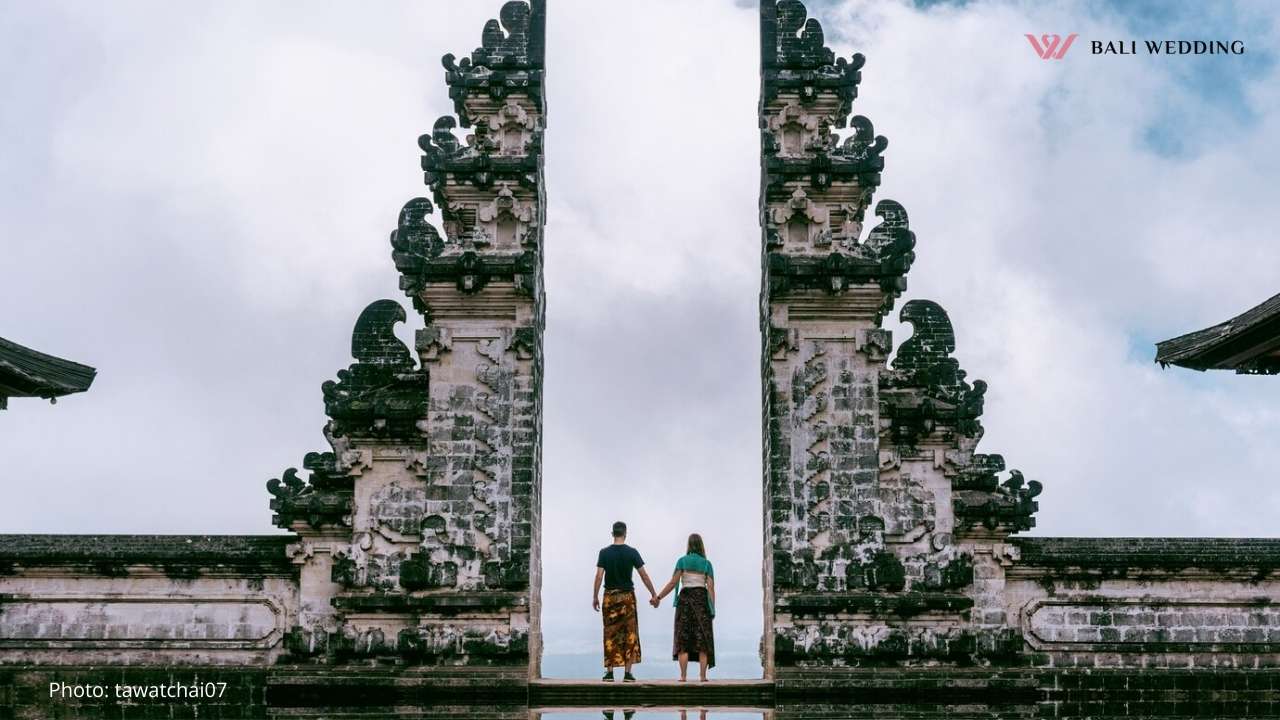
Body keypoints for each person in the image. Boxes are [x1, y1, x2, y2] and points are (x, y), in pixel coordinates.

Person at [593, 520, 657, 682]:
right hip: (627, 598)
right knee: (630, 634)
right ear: (625, 533)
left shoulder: (604, 553)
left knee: (610, 633)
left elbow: (599, 576)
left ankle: (609, 672)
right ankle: (628, 673)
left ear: (612, 533)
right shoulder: (632, 552)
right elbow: (644, 575)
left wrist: (595, 596)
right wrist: (653, 594)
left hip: (610, 597)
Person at [652, 533, 716, 682]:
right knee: (703, 641)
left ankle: (683, 676)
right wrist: (712, 608)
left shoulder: (681, 561)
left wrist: (658, 597)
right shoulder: (707, 564)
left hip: (685, 601)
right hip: (701, 602)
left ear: (689, 545)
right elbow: (711, 588)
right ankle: (703, 676)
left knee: (683, 640)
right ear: (701, 545)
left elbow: (672, 583)